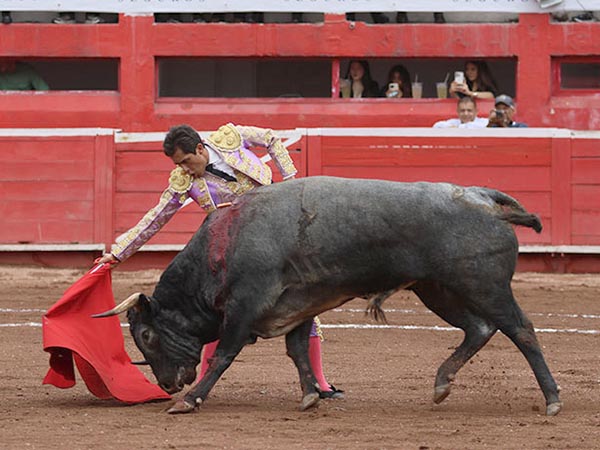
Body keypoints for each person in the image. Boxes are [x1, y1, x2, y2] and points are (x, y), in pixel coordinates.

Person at [97, 123, 344, 399]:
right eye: (179, 165)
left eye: (187, 162)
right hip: (234, 255)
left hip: (277, 237)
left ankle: (320, 384)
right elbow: (155, 218)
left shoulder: (232, 137)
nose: (185, 170)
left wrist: (290, 182)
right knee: (219, 313)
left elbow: (272, 139)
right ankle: (205, 383)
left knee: (303, 303)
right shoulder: (184, 182)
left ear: (201, 148)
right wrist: (119, 252)